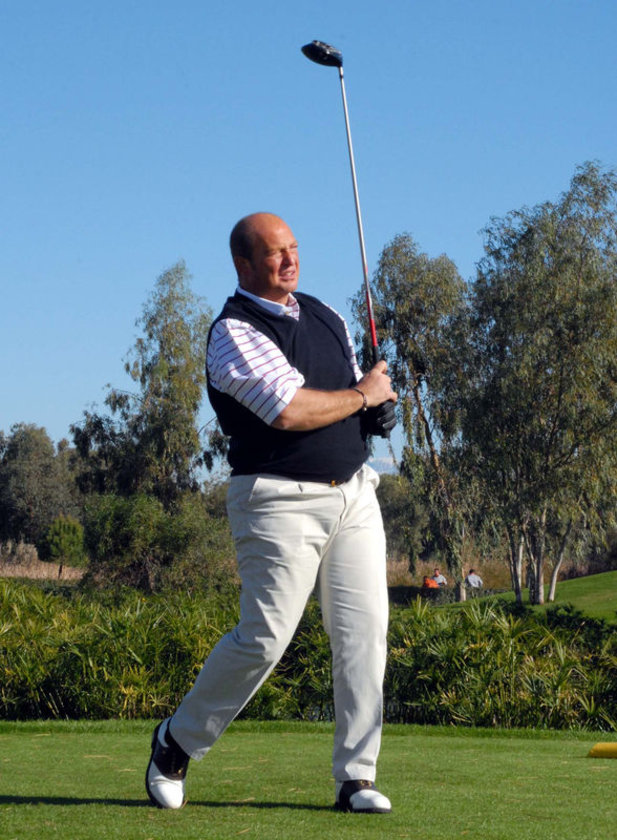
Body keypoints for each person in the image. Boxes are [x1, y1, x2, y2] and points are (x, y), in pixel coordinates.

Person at [145, 212, 398, 814]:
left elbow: (347, 397)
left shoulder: (328, 315)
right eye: (274, 253)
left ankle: (356, 777)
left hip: (355, 493)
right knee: (264, 638)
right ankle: (176, 742)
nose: (289, 260)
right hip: (277, 501)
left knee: (364, 634)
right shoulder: (233, 332)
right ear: (243, 264)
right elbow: (288, 410)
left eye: (293, 248)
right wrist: (362, 395)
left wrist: (375, 411)